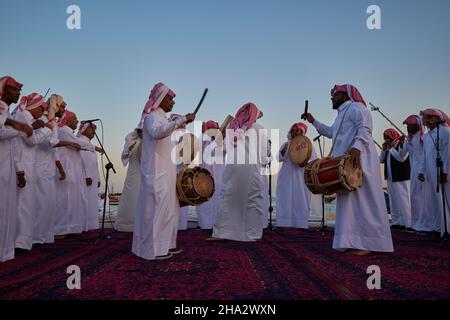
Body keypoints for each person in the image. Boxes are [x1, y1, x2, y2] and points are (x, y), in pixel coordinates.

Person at [302, 84, 393, 255]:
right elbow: (330, 132)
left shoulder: (357, 108)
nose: (332, 98)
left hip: (360, 161)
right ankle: (352, 241)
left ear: (345, 95)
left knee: (363, 201)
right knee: (350, 204)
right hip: (345, 166)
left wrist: (357, 147)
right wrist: (313, 120)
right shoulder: (340, 116)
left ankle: (368, 243)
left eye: (335, 95)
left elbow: (365, 129)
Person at [132, 82, 195, 260]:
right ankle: (152, 250)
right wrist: (181, 120)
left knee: (169, 211)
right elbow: (156, 132)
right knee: (156, 211)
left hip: (166, 171)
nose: (173, 103)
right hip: (155, 172)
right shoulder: (152, 117)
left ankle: (166, 246)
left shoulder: (163, 118)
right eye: (170, 99)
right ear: (160, 99)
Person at [211, 103, 270, 241]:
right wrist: (268, 158)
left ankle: (223, 233)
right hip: (251, 171)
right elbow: (263, 157)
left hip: (232, 170)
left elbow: (221, 150)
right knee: (252, 201)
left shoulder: (233, 129)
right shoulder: (260, 129)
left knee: (229, 200)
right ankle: (251, 235)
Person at [13, 93, 53, 250]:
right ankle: (19, 243)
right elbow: (32, 140)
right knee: (23, 206)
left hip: (28, 166)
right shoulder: (23, 116)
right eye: (42, 108)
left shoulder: (27, 117)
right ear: (33, 106)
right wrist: (47, 129)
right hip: (22, 166)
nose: (43, 111)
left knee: (28, 205)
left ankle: (24, 241)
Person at [0, 76, 33, 262]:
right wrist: (20, 128)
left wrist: (18, 169)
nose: (18, 93)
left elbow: (13, 146)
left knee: (7, 209)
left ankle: (5, 251)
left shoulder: (8, 112)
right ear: (3, 90)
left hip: (7, 167)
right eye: (14, 89)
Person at [33, 94, 67, 245]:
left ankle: (45, 237)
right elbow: (48, 143)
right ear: (55, 106)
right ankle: (36, 238)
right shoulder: (45, 122)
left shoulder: (52, 123)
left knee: (48, 204)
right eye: (62, 106)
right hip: (39, 167)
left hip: (48, 167)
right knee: (41, 204)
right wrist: (70, 143)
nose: (64, 109)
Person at [390, 115, 428, 234]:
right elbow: (401, 157)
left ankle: (427, 226)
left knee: (424, 200)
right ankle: (417, 225)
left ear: (417, 126)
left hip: (425, 173)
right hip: (414, 174)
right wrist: (395, 147)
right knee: (415, 199)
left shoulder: (424, 139)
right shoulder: (409, 140)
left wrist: (422, 171)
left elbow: (425, 157)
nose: (407, 127)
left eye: (409, 125)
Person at [276, 122, 317, 228]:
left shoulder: (309, 144)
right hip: (286, 176)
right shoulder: (286, 144)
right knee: (285, 199)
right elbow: (279, 158)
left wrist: (306, 162)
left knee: (301, 199)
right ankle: (283, 223)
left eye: (297, 131)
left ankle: (301, 224)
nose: (294, 133)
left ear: (302, 132)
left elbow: (314, 160)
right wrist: (284, 150)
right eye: (292, 131)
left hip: (302, 177)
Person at [418, 108, 450, 237]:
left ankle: (447, 229)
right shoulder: (426, 136)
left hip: (444, 170)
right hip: (431, 171)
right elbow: (425, 155)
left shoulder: (446, 132)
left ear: (438, 118)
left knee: (446, 199)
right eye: (426, 118)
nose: (428, 120)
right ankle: (438, 228)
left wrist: (445, 171)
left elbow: (448, 152)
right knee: (435, 200)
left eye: (431, 117)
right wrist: (421, 170)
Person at [54, 110, 86, 236]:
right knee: (64, 200)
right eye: (74, 119)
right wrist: (90, 146)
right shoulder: (63, 131)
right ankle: (59, 229)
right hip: (65, 168)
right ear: (66, 120)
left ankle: (69, 228)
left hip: (72, 169)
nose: (77, 121)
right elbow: (80, 144)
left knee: (72, 200)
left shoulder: (68, 132)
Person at [379, 128, 412, 231]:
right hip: (391, 178)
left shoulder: (401, 145)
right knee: (394, 201)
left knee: (404, 201)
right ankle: (397, 222)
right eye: (386, 138)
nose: (387, 140)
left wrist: (391, 149)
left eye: (388, 138)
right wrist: (384, 150)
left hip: (401, 177)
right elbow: (381, 160)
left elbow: (401, 158)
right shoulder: (389, 148)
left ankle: (408, 223)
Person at [196, 120, 225, 229]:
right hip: (205, 179)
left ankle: (217, 225)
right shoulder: (203, 139)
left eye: (217, 129)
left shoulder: (222, 143)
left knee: (218, 202)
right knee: (205, 203)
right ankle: (205, 225)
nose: (216, 131)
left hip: (219, 178)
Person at [115, 127, 142, 232]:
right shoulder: (133, 141)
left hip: (145, 173)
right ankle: (128, 224)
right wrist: (130, 149)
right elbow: (125, 156)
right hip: (135, 172)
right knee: (132, 195)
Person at [78, 121, 103, 231]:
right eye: (91, 129)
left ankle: (92, 225)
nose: (93, 132)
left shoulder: (90, 144)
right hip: (85, 177)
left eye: (94, 130)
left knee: (92, 201)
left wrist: (97, 177)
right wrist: (86, 175)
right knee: (84, 200)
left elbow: (94, 164)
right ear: (84, 129)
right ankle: (84, 225)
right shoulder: (80, 142)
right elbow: (80, 161)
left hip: (93, 177)